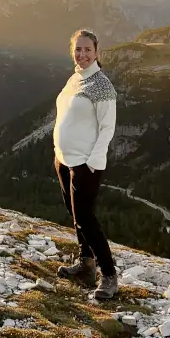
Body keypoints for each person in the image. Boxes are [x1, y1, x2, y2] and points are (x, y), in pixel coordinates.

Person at [52, 29, 120, 299]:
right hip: (64, 158)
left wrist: (93, 162)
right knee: (74, 213)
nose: (82, 54)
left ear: (96, 52)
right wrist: (57, 146)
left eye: (87, 50)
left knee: (87, 219)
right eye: (77, 50)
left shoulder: (102, 86)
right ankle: (86, 264)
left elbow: (107, 128)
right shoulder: (75, 79)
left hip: (85, 163)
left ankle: (109, 275)